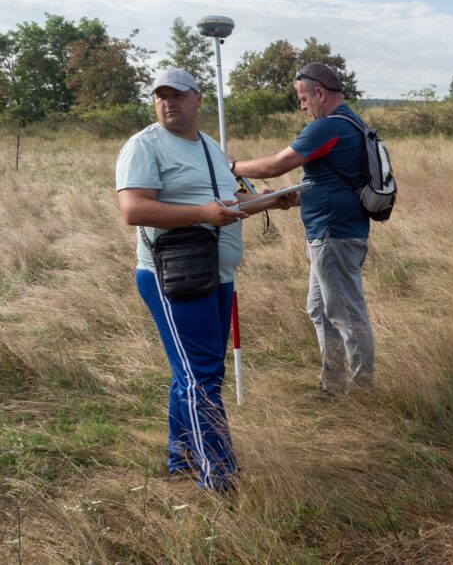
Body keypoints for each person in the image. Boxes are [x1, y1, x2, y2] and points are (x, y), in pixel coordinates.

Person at [116, 68, 292, 490]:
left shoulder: (210, 146)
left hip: (216, 273)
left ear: (197, 98)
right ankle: (219, 476)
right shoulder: (144, 146)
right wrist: (202, 214)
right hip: (175, 275)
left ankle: (182, 458)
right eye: (161, 96)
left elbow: (228, 201)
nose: (168, 102)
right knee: (201, 376)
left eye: (177, 95)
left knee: (195, 373)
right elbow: (133, 210)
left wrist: (271, 200)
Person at [232, 63, 376, 395]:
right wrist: (292, 197)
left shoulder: (328, 126)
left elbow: (274, 165)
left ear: (320, 93)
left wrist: (231, 166)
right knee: (320, 309)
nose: (302, 106)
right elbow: (334, 182)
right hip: (334, 232)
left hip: (334, 234)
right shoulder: (352, 123)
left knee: (346, 314)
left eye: (303, 98)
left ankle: (363, 393)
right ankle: (333, 384)